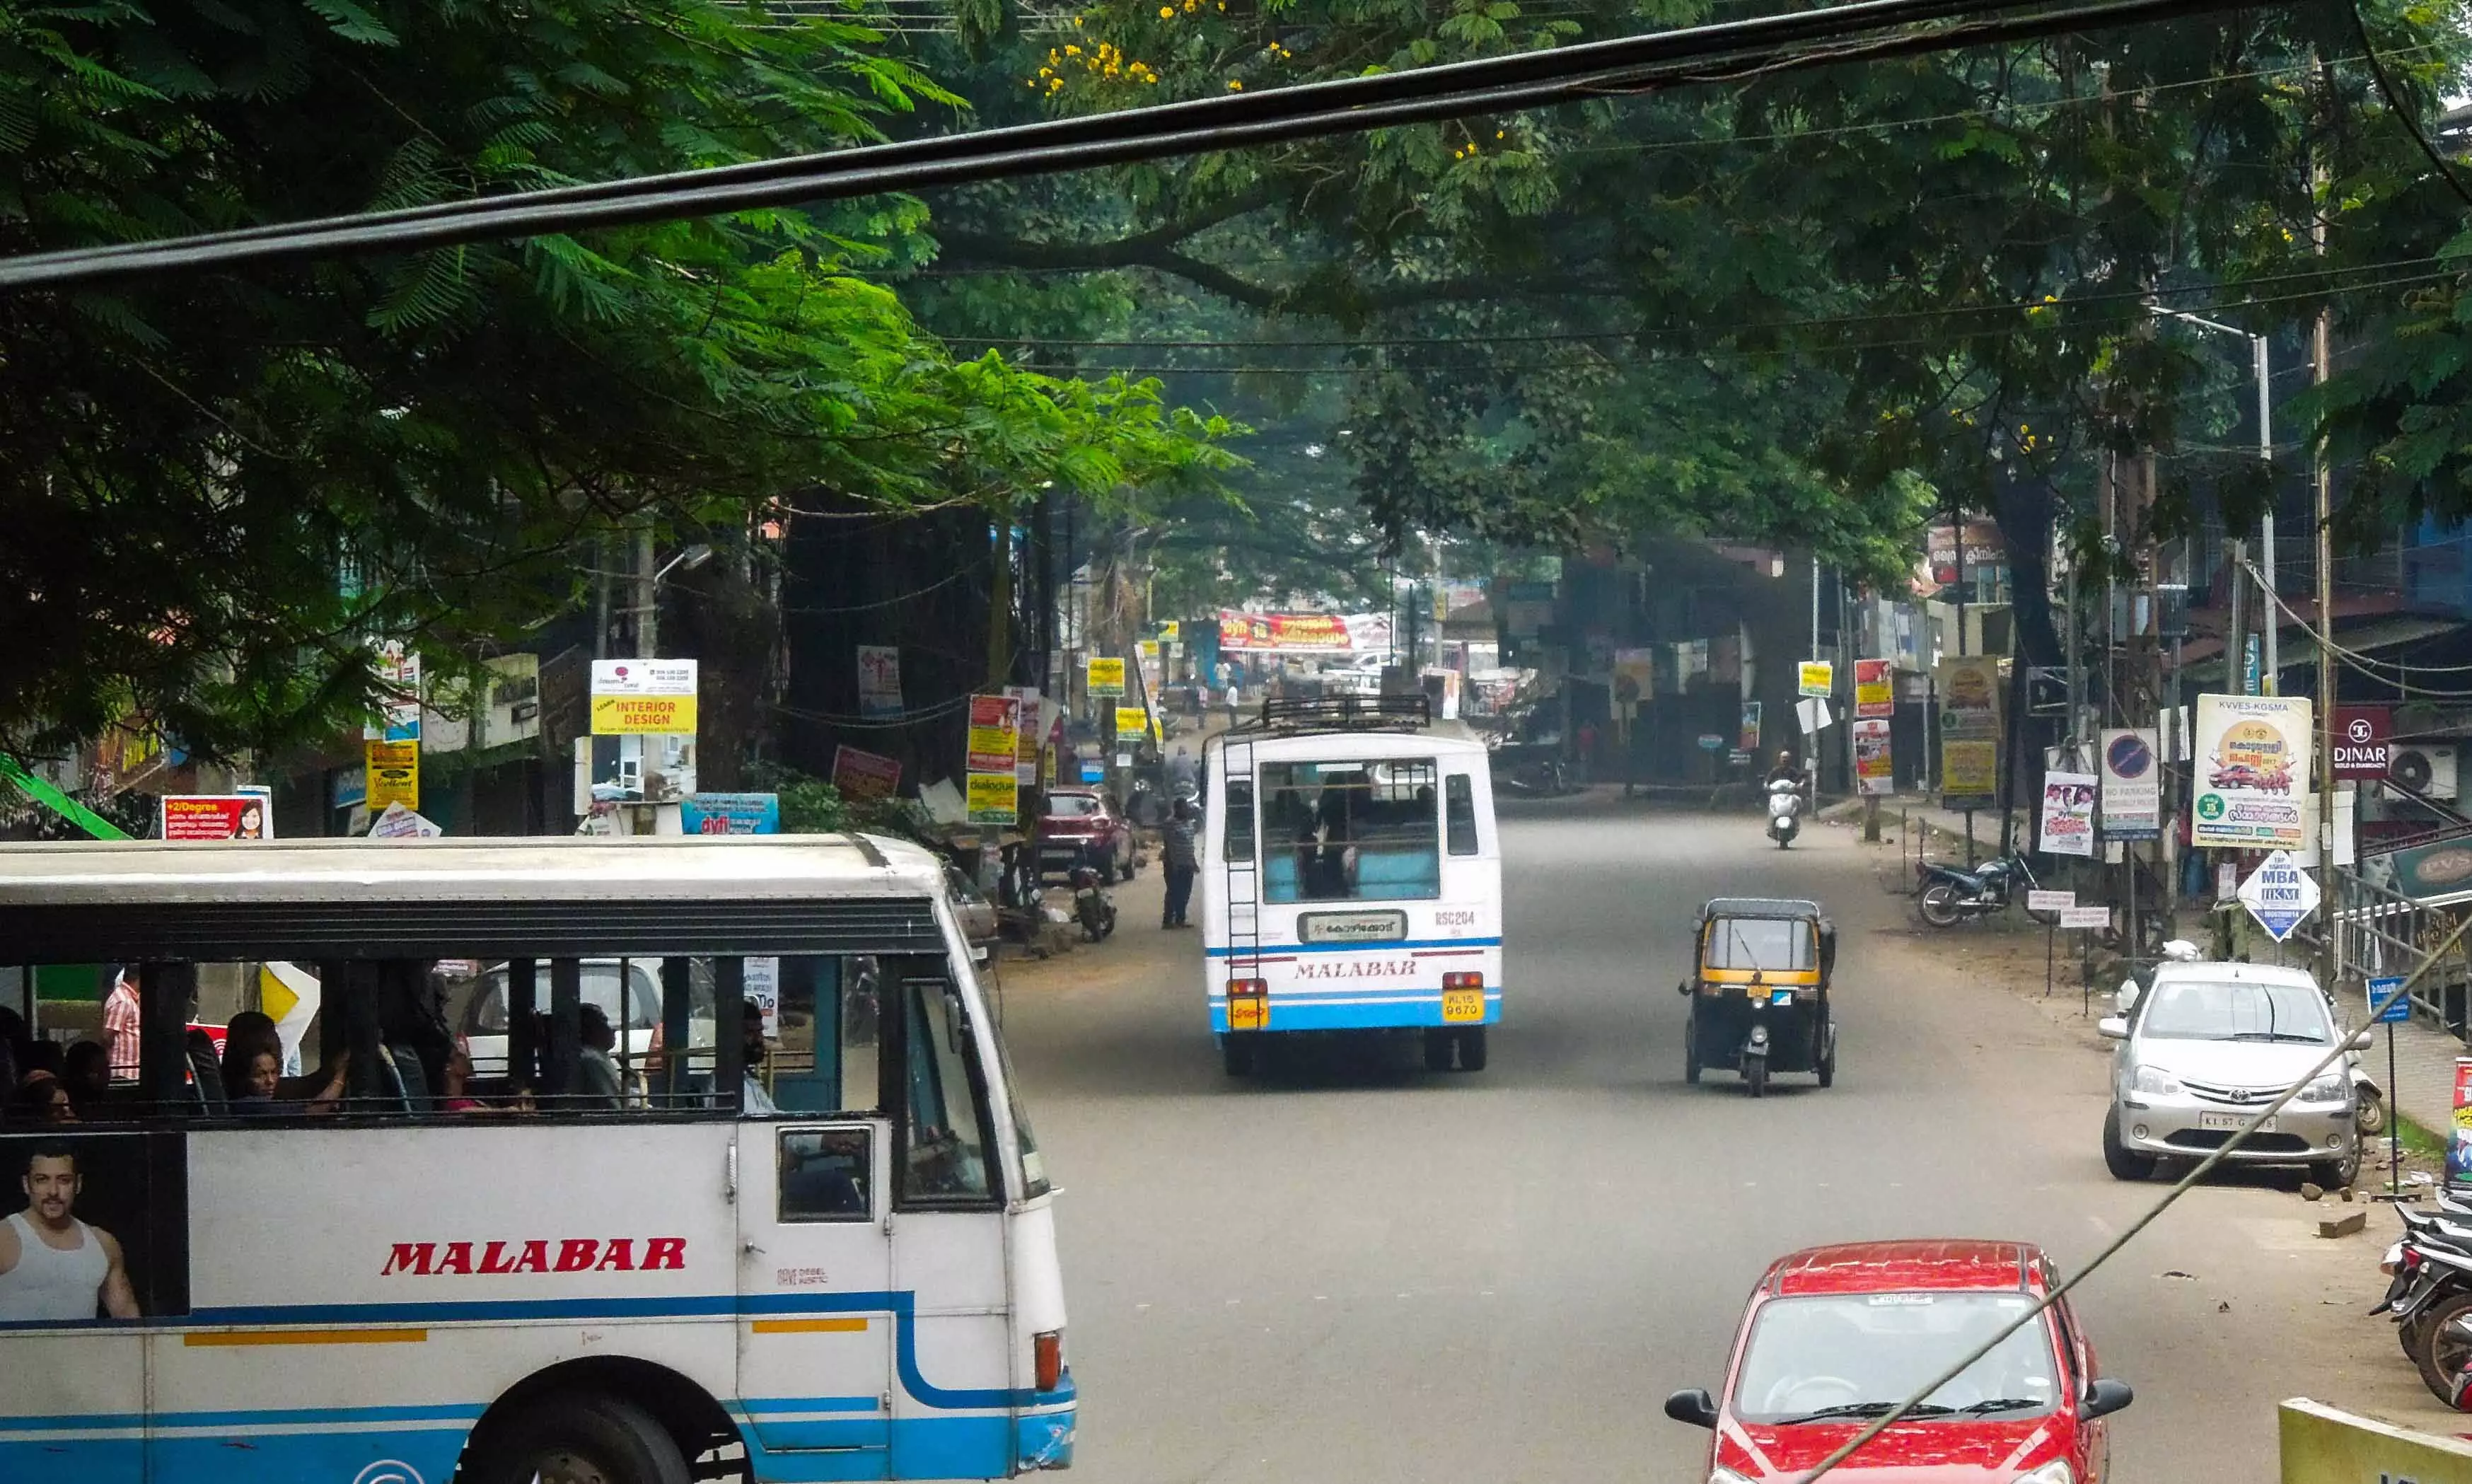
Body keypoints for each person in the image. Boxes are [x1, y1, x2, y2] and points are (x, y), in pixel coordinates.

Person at [0, 1144, 140, 1321]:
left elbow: (129, 1321)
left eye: (64, 1180)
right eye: (42, 1180)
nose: (53, 1191)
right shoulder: (4, 1238)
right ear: (26, 1185)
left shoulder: (104, 1244)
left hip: (84, 1348)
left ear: (78, 1184)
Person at [572, 1004, 625, 1110]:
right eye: (604, 1022)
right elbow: (615, 1105)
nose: (613, 1029)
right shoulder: (593, 1060)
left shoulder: (599, 1054)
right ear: (591, 1029)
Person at [1161, 796, 1200, 929]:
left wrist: (1194, 863)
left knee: (1185, 892)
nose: (1186, 810)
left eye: (1186, 807)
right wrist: (1172, 863)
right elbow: (1169, 844)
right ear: (1177, 809)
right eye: (1183, 807)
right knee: (1173, 892)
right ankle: (1167, 920)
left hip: (1187, 863)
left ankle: (1180, 919)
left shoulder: (1189, 824)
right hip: (1174, 864)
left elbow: (1190, 845)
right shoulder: (1170, 823)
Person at [741, 999, 779, 1116]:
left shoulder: (748, 1078)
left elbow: (774, 1115)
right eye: (750, 1033)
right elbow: (754, 1124)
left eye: (760, 1032)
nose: (759, 1039)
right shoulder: (726, 1083)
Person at [100, 967, 139, 1082]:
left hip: (131, 1071)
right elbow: (108, 1035)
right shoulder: (123, 1000)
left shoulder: (129, 999)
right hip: (123, 1072)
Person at [62, 1042, 110, 1117]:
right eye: (94, 1071)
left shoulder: (113, 1104)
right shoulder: (63, 1107)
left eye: (106, 1067)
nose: (106, 1075)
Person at [11, 1074, 76, 1126]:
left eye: (64, 1100)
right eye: (55, 1109)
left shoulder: (75, 1125)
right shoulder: (27, 1128)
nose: (66, 1109)